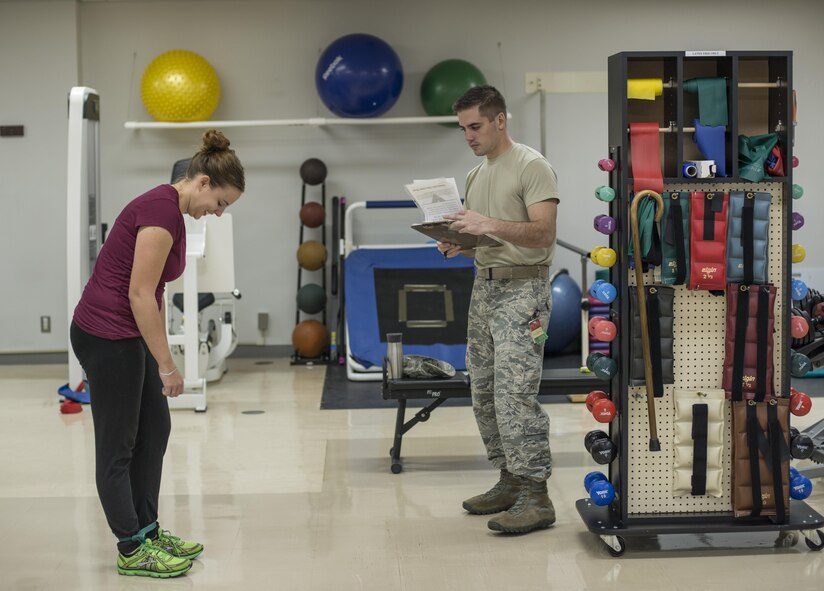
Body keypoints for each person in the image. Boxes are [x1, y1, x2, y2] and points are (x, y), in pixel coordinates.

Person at [70, 129, 245, 577]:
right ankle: (132, 547)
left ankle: (147, 528)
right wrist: (168, 364)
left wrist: (159, 353)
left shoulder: (175, 213)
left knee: (155, 428)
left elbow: (157, 293)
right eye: (221, 203)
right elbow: (139, 294)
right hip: (106, 335)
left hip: (128, 334)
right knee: (119, 444)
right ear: (203, 182)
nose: (219, 213)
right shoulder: (159, 213)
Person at [438, 85, 559, 534]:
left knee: (514, 396)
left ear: (500, 120)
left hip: (523, 293)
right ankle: (509, 480)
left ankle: (536, 495)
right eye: (463, 129)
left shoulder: (531, 166)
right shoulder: (476, 175)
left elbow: (542, 234)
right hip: (484, 290)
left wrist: (486, 223)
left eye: (476, 126)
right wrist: (462, 244)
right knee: (485, 393)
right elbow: (491, 244)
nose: (469, 136)